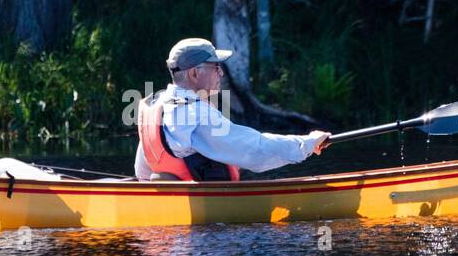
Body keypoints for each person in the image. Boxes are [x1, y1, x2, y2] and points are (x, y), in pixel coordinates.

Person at [135, 38, 331, 181]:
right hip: (203, 231)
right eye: (215, 67)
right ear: (194, 73)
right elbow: (255, 150)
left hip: (173, 214)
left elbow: (142, 171)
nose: (221, 73)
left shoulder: (157, 105)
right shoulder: (195, 114)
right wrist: (307, 144)